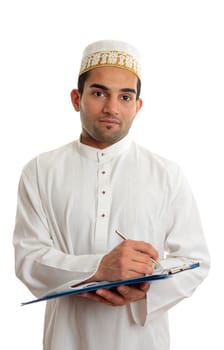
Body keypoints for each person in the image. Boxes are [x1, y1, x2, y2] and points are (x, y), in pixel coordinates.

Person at [13, 40, 210, 350]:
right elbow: (28, 260)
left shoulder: (166, 174)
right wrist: (99, 267)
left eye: (125, 96)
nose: (111, 108)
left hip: (142, 341)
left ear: (137, 106)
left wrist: (145, 290)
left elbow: (196, 261)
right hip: (67, 339)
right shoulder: (40, 170)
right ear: (77, 98)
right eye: (99, 93)